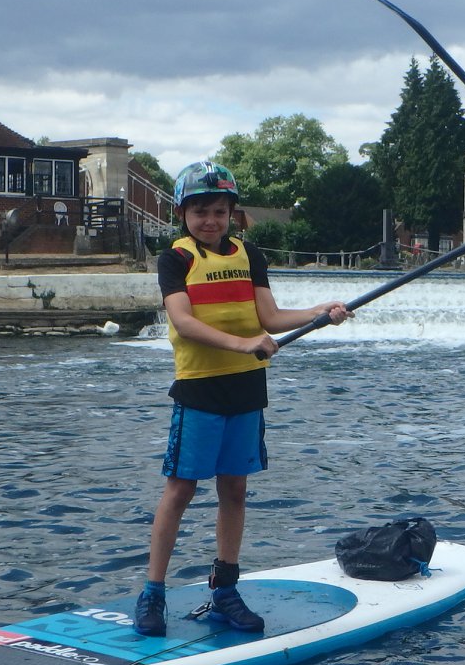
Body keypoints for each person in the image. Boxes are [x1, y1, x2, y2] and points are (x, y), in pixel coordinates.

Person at [135, 161, 351, 638]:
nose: (210, 220)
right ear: (182, 214)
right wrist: (242, 344)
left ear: (231, 213)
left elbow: (269, 318)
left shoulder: (249, 254)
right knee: (181, 491)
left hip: (247, 390)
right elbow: (183, 321)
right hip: (200, 390)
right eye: (200, 212)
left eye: (219, 211)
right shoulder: (175, 259)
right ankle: (152, 593)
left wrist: (319, 312)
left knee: (234, 491)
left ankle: (225, 592)